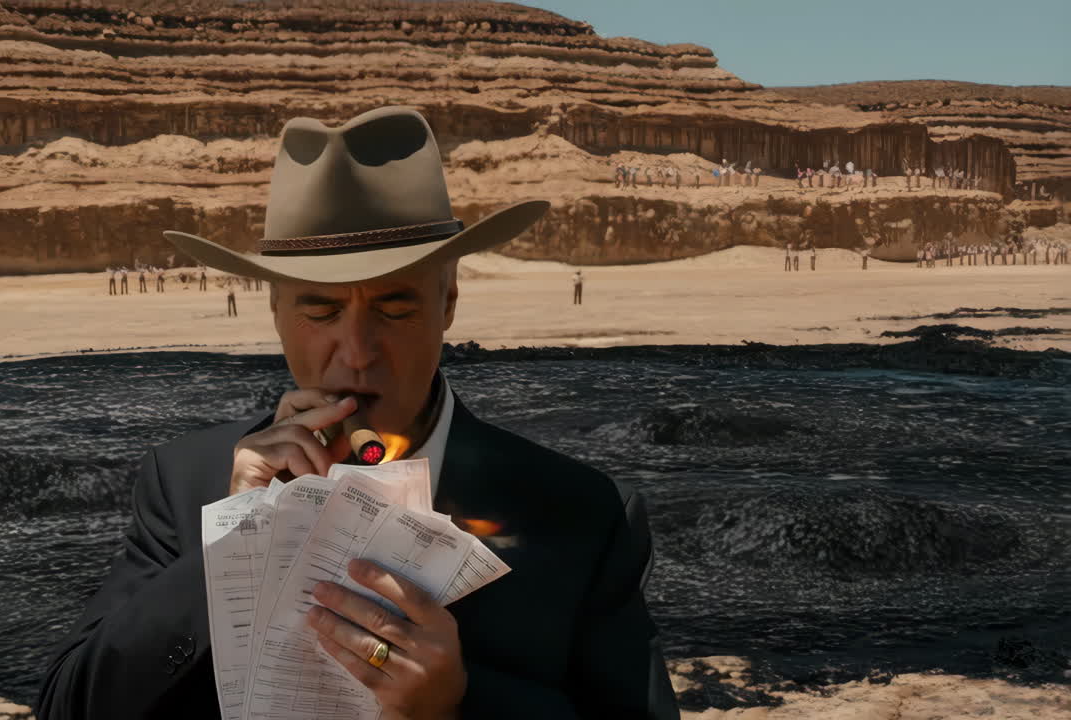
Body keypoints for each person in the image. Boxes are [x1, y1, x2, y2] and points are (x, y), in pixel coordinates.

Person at [35, 106, 679, 720]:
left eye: (395, 310)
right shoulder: (185, 485)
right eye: (320, 311)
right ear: (275, 311)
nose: (357, 352)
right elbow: (70, 708)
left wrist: (456, 706)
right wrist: (230, 551)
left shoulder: (582, 515)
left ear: (448, 300)